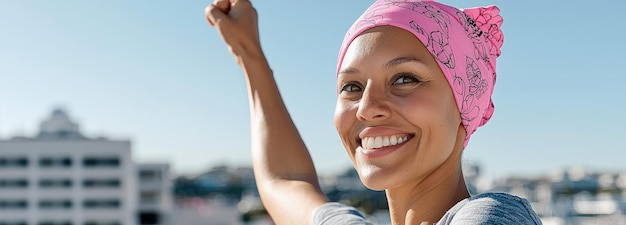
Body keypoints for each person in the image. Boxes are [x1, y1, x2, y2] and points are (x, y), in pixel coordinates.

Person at [205, 0, 542, 224]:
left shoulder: (488, 217)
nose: (367, 108)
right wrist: (247, 52)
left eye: (404, 79)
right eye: (351, 87)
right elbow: (285, 181)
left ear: (463, 103)